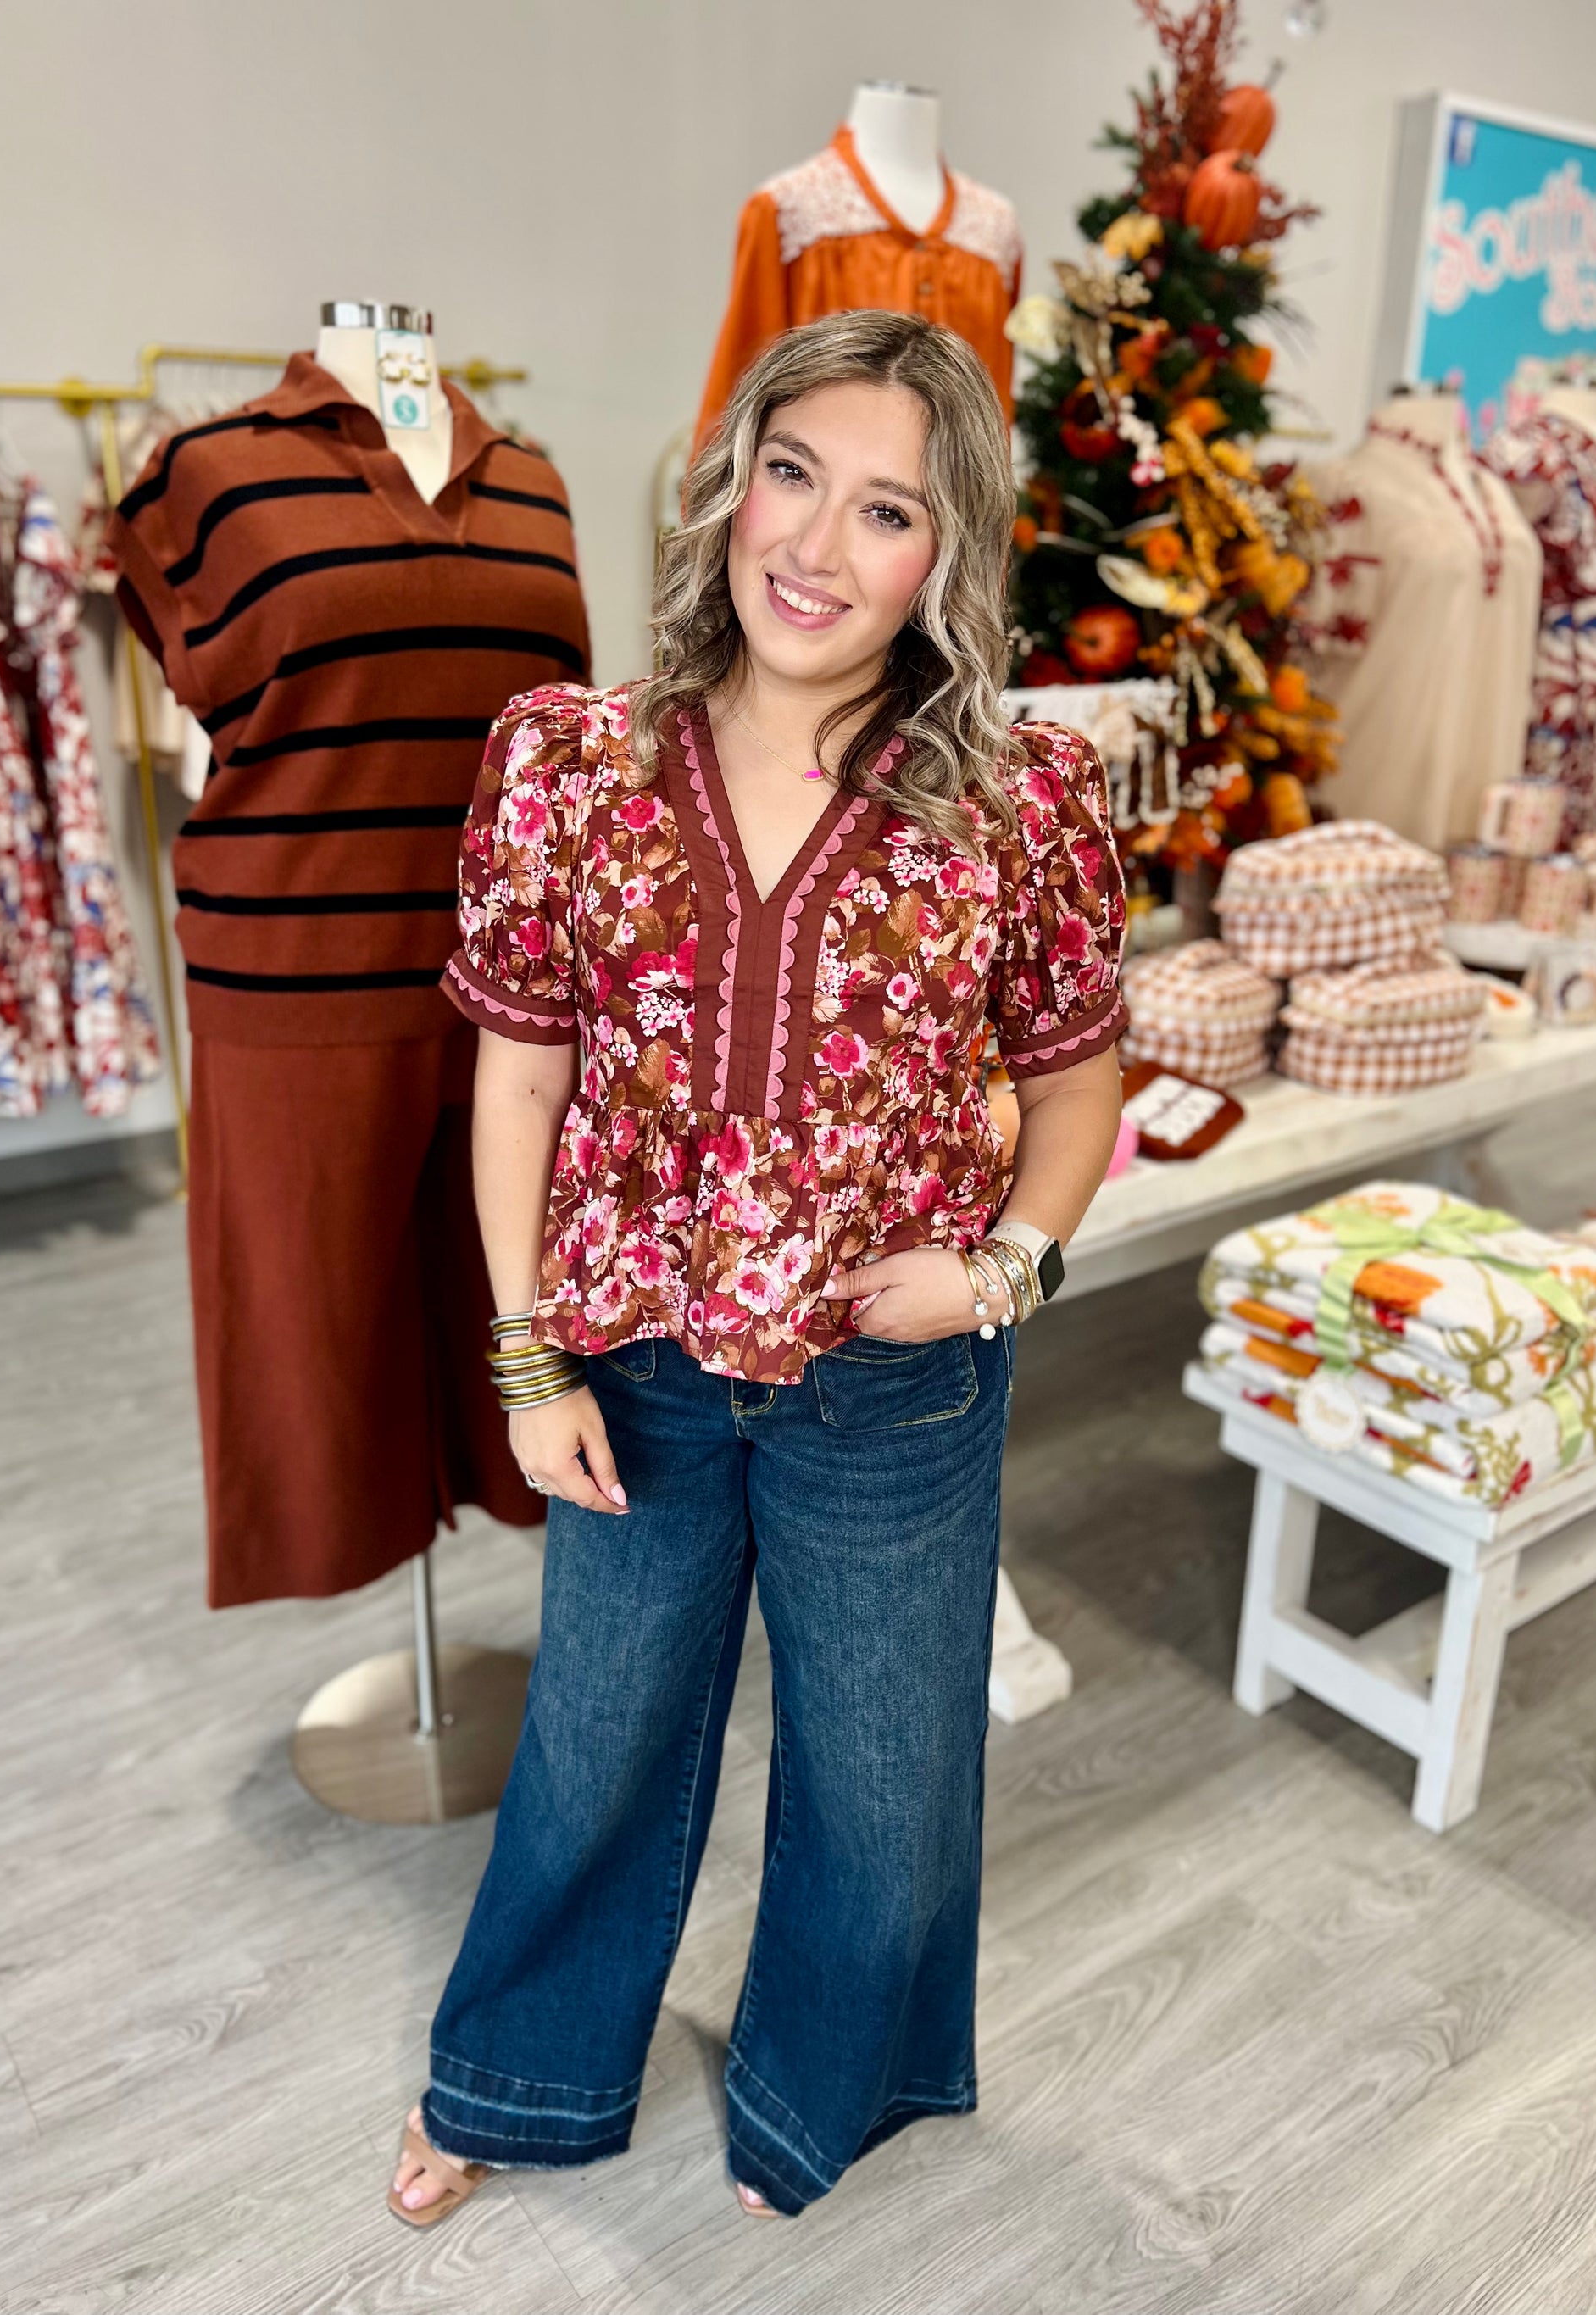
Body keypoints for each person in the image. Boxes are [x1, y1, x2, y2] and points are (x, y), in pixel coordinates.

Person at [386, 309, 1126, 2229]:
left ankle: (830, 2087)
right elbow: (518, 1073)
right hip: (630, 1362)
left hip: (893, 1373)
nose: (813, 543)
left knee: (886, 1770)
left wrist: (1004, 1272)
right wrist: (527, 1358)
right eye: (791, 474)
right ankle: (516, 2074)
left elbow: (1075, 1081)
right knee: (596, 1742)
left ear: (945, 554)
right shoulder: (571, 763)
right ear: (728, 485)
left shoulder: (1017, 800)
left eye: (886, 508)